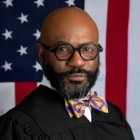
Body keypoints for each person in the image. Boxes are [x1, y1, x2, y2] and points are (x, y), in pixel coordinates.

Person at [0, 7, 134, 140]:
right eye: (63, 49)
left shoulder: (114, 116)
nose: (77, 62)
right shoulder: (20, 127)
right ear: (42, 54)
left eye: (88, 49)